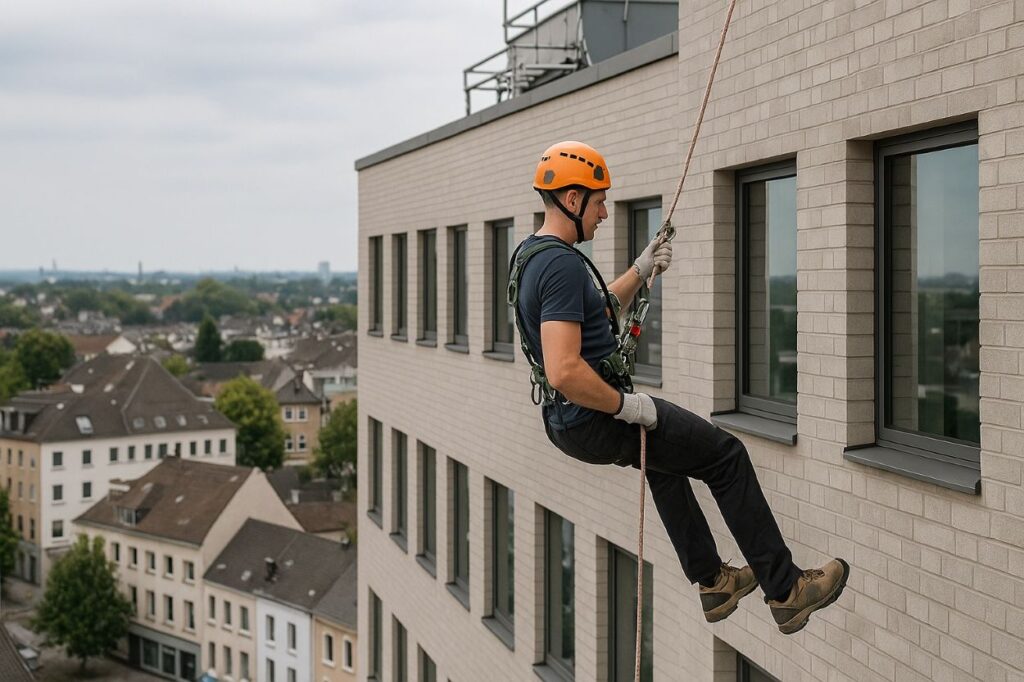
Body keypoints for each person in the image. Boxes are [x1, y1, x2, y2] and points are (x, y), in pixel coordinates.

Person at [511, 140, 850, 634]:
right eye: (600, 200)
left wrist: (641, 269)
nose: (605, 212)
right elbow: (564, 368)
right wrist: (629, 407)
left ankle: (714, 582)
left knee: (665, 463)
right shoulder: (561, 264)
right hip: (592, 413)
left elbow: (595, 310)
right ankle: (787, 591)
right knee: (725, 456)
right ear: (572, 198)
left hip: (567, 421)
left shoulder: (533, 255)